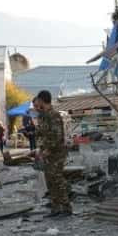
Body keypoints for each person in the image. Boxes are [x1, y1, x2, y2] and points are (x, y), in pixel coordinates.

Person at [33, 90, 71, 218]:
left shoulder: (54, 115)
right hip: (47, 154)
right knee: (50, 181)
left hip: (56, 153)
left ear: (42, 100)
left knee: (57, 180)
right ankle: (56, 208)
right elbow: (41, 133)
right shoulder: (43, 116)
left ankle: (66, 207)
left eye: (38, 100)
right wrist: (40, 148)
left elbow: (57, 136)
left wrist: (48, 149)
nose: (37, 104)